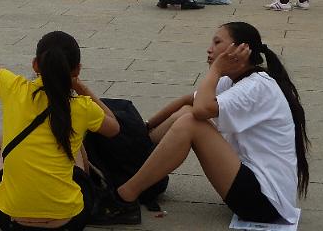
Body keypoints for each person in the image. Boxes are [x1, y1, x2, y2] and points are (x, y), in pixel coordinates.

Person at [111, 22, 308, 226]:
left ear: (240, 50)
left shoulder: (256, 86)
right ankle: (135, 160)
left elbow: (200, 110)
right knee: (186, 113)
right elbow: (189, 101)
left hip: (265, 202)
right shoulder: (234, 79)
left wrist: (215, 70)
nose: (209, 48)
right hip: (251, 183)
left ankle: (123, 197)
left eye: (217, 42)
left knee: (191, 122)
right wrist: (146, 127)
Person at [0, 0, 121, 230]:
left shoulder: (15, 89)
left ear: (35, 65)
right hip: (68, 221)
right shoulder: (82, 106)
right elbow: (114, 127)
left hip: (12, 221)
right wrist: (81, 88)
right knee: (75, 139)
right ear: (77, 70)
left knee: (8, 139)